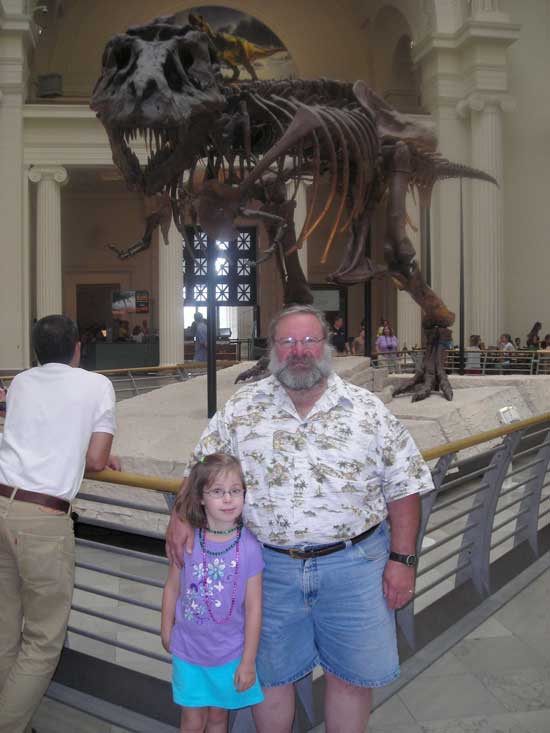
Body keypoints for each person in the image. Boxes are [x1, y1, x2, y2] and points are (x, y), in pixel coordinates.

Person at [166, 304, 434, 733]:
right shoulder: (242, 410)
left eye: (309, 340)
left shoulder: (366, 410)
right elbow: (200, 467)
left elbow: (404, 486)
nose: (299, 351)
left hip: (354, 567)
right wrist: (181, 515)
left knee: (350, 678)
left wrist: (402, 562)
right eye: (288, 342)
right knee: (270, 678)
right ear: (272, 349)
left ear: (326, 346)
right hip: (268, 571)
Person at [0, 314, 120, 733]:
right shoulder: (96, 385)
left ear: (35, 351)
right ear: (78, 349)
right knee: (43, 640)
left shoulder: (20, 383)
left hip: (2, 505)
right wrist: (93, 447)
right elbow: (98, 460)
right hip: (42, 519)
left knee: (5, 630)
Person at [162, 453, 264, 732]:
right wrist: (166, 629)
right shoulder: (188, 540)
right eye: (218, 492)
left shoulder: (251, 548)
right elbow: (172, 586)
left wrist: (248, 661)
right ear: (201, 497)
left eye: (235, 491)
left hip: (229, 654)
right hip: (189, 651)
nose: (228, 499)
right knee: (192, 720)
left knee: (219, 718)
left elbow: (255, 608)